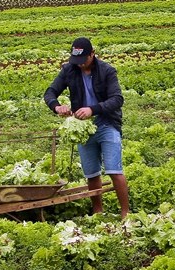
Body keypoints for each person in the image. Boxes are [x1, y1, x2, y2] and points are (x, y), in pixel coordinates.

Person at [44, 37, 130, 217]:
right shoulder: (69, 70)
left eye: (84, 60)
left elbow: (117, 99)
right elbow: (50, 92)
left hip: (107, 123)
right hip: (83, 128)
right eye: (77, 61)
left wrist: (93, 109)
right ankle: (98, 212)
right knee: (91, 172)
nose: (81, 65)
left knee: (114, 169)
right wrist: (57, 106)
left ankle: (125, 214)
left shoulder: (107, 71)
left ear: (92, 54)